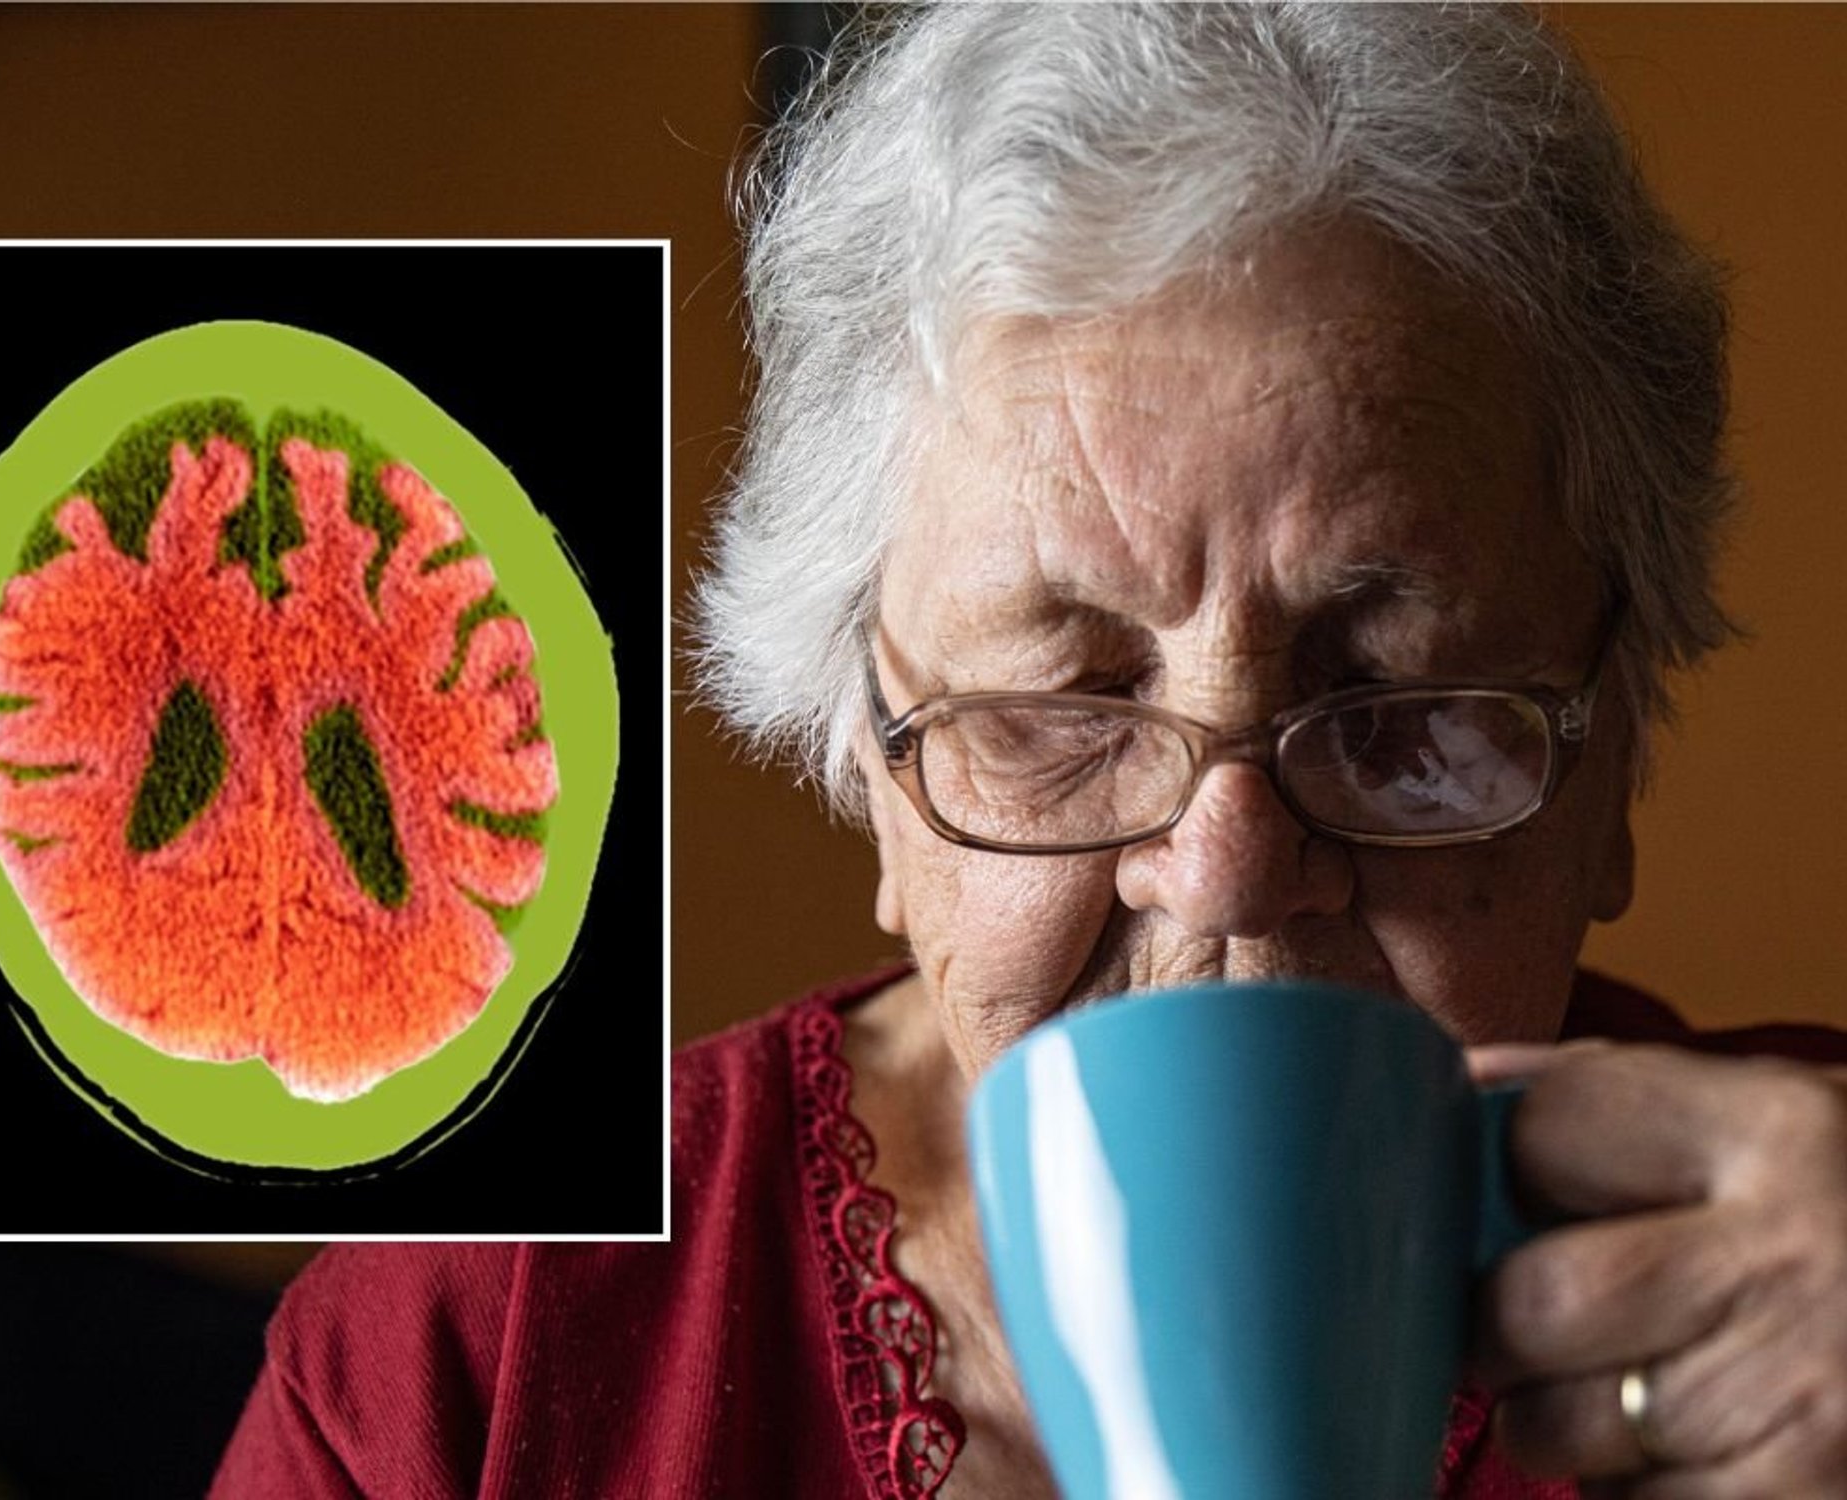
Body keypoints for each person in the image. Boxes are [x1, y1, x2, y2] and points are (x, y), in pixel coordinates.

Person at [212, 6, 1847, 1496]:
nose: (1229, 876)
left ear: (1616, 750)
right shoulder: (471, 1358)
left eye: (1403, 715)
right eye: (1063, 715)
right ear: (870, 759)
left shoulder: (1812, 1272)